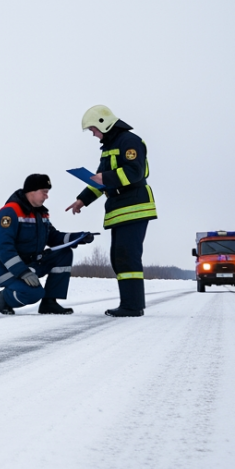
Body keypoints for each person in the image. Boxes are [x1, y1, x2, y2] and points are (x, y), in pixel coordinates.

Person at [66, 105, 157, 317]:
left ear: (103, 123)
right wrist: (82, 200)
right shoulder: (109, 146)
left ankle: (133, 307)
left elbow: (135, 172)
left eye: (93, 129)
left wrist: (106, 178)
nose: (93, 134)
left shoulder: (129, 141)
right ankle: (129, 304)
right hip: (120, 210)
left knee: (128, 256)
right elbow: (99, 179)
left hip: (134, 208)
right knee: (119, 257)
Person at [0, 173, 95, 315]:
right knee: (34, 294)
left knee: (64, 253)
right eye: (44, 192)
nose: (47, 196)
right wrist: (23, 272)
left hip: (32, 263)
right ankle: (5, 298)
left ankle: (49, 303)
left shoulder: (40, 214)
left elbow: (53, 237)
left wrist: (79, 237)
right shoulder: (10, 212)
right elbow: (3, 247)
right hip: (7, 267)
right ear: (31, 192)